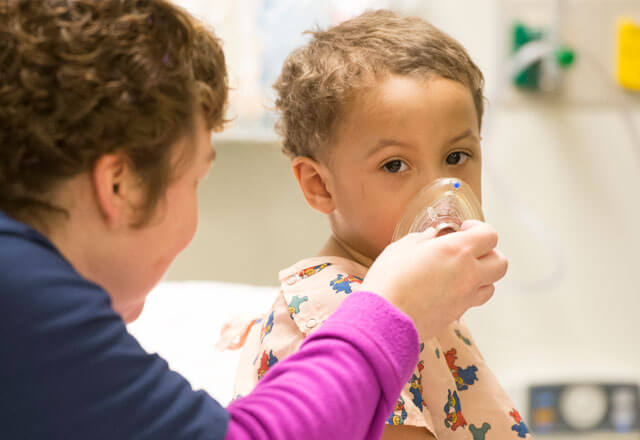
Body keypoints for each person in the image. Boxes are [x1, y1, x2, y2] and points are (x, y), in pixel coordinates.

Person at [0, 1, 507, 439]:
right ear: (120, 186)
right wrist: (392, 310)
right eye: (196, 178)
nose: (440, 189)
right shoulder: (21, 301)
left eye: (459, 156)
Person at [228, 10, 530, 440]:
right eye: (395, 165)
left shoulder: (421, 295)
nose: (441, 192)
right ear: (320, 186)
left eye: (457, 157)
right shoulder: (333, 313)